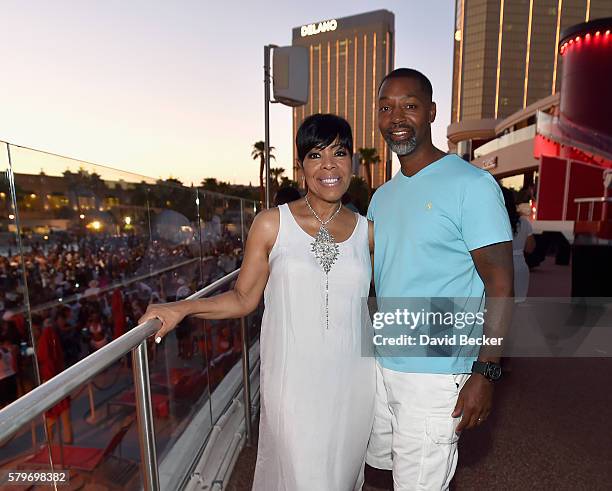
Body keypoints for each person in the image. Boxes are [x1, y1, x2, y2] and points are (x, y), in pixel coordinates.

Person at [140, 114, 375, 491]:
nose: (329, 164)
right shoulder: (271, 223)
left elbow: (391, 299)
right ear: (301, 167)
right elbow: (243, 297)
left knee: (340, 478)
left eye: (340, 153)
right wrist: (181, 308)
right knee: (303, 476)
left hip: (355, 384)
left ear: (353, 163)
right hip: (293, 384)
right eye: (316, 155)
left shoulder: (369, 232)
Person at [366, 68, 514, 490]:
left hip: (434, 375)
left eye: (409, 106)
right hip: (382, 365)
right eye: (386, 107)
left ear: (430, 112)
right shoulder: (382, 196)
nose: (396, 117)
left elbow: (501, 285)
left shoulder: (472, 185)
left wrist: (486, 372)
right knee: (385, 472)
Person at [501, 187, 535, 302]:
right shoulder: (524, 222)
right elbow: (530, 248)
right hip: (520, 267)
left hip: (498, 270)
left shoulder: (492, 223)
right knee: (518, 306)